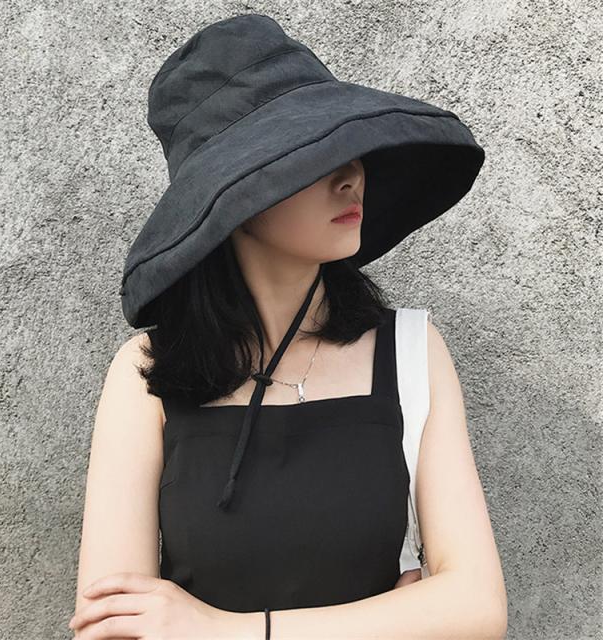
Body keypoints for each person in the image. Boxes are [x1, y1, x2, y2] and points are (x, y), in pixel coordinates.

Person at [68, 13, 507, 640]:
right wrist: (401, 619)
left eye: (347, 149)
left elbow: (478, 608)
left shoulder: (411, 350)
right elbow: (111, 627)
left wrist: (219, 630)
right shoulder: (147, 373)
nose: (350, 175)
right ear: (230, 200)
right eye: (307, 157)